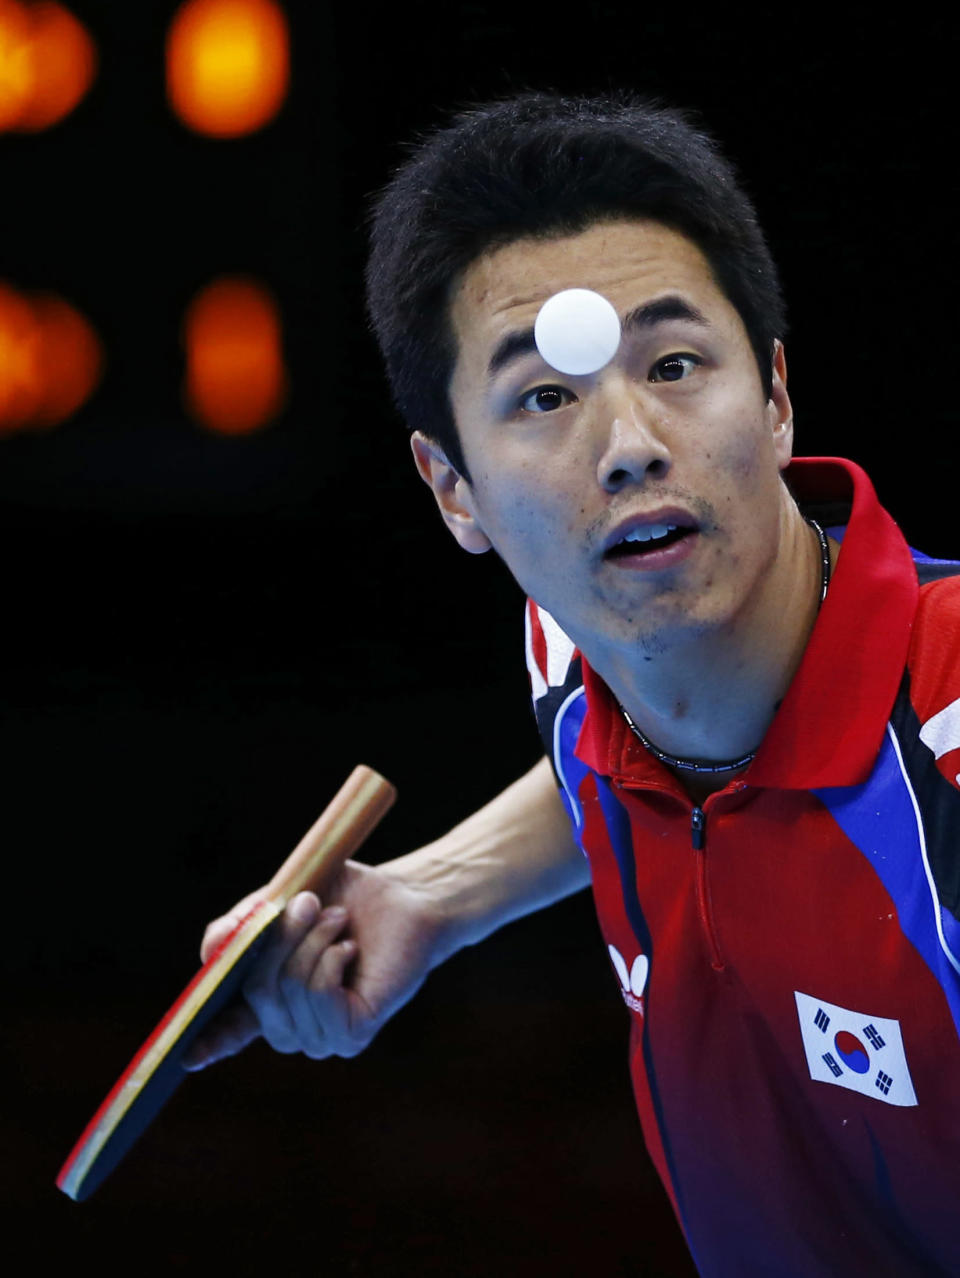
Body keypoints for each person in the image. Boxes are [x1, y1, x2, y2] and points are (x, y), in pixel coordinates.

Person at [185, 93, 960, 1276]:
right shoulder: (582, 647)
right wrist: (432, 899)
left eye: (677, 363)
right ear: (454, 491)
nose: (632, 443)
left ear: (778, 393)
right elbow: (620, 756)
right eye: (546, 397)